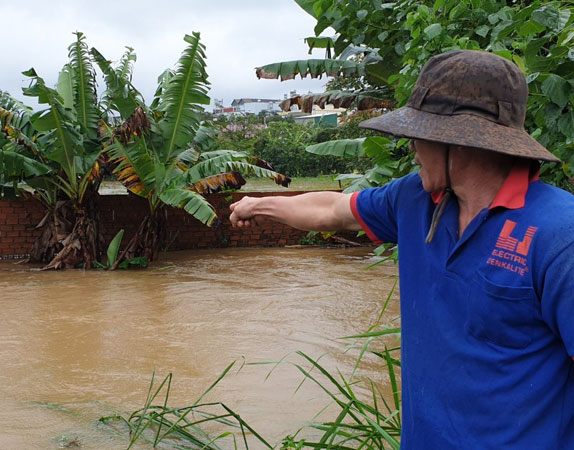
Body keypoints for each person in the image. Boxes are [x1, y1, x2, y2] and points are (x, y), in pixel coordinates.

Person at [229, 50, 574, 448]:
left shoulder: (559, 234)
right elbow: (334, 209)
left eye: (419, 133)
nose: (411, 146)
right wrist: (259, 205)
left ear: (459, 143)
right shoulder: (414, 200)